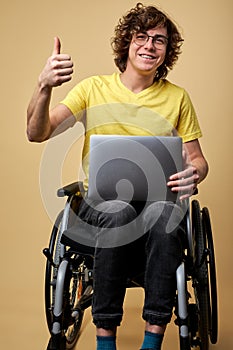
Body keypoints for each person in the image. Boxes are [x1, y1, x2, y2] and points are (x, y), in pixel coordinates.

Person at [27, 3, 208, 350]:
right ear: (127, 43)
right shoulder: (93, 90)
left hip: (158, 203)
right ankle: (105, 338)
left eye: (160, 40)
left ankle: (152, 339)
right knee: (118, 209)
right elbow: (37, 133)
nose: (150, 45)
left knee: (165, 215)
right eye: (142, 37)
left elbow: (198, 160)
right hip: (103, 205)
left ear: (167, 51)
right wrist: (44, 85)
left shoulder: (177, 98)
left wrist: (193, 173)